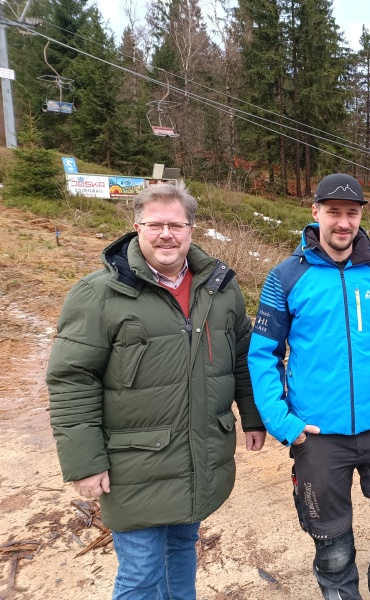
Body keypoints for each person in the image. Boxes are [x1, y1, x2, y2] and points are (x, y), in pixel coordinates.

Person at [47, 182, 266, 599]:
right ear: (137, 228)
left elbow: (242, 359)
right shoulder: (99, 294)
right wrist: (84, 463)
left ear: (191, 230)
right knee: (142, 573)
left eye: (176, 225)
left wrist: (253, 418)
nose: (167, 234)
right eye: (155, 224)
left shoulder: (220, 289)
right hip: (134, 461)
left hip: (200, 454)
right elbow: (72, 380)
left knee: (182, 547)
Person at [248, 173, 370, 599]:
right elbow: (263, 354)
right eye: (333, 212)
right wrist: (283, 422)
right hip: (317, 435)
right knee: (332, 548)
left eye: (351, 213)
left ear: (361, 215)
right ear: (316, 212)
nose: (343, 223)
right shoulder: (285, 276)